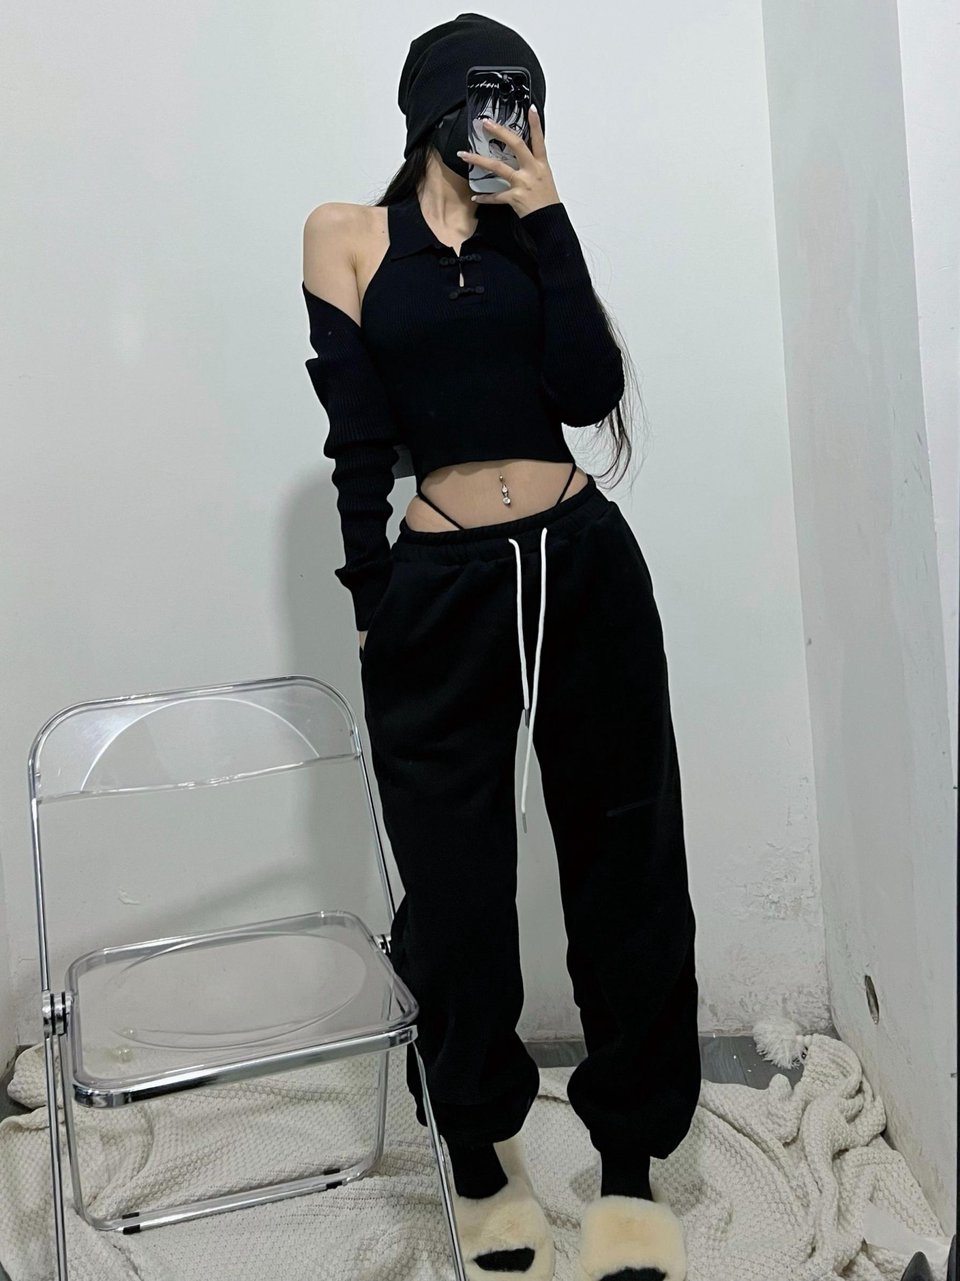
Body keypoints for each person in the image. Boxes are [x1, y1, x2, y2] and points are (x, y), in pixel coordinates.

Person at [301, 13, 699, 1281]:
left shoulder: (536, 233)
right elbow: (358, 440)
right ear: (432, 104)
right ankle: (478, 1147)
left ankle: (629, 1161)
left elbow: (587, 395)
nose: (506, 120)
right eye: (486, 97)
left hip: (582, 567)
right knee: (458, 885)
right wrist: (377, 599)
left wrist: (551, 214)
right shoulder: (348, 235)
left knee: (627, 863)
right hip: (442, 590)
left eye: (525, 100)